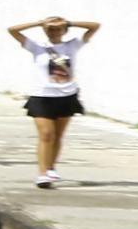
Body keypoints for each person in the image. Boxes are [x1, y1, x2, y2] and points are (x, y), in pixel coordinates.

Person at [8, 14, 101, 188]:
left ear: (64, 30)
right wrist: (38, 22)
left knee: (58, 136)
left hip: (66, 96)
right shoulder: (37, 47)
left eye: (58, 28)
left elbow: (95, 26)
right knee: (46, 135)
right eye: (50, 28)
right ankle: (42, 173)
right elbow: (12, 30)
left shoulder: (72, 45)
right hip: (42, 96)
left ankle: (51, 168)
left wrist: (70, 22)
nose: (54, 31)